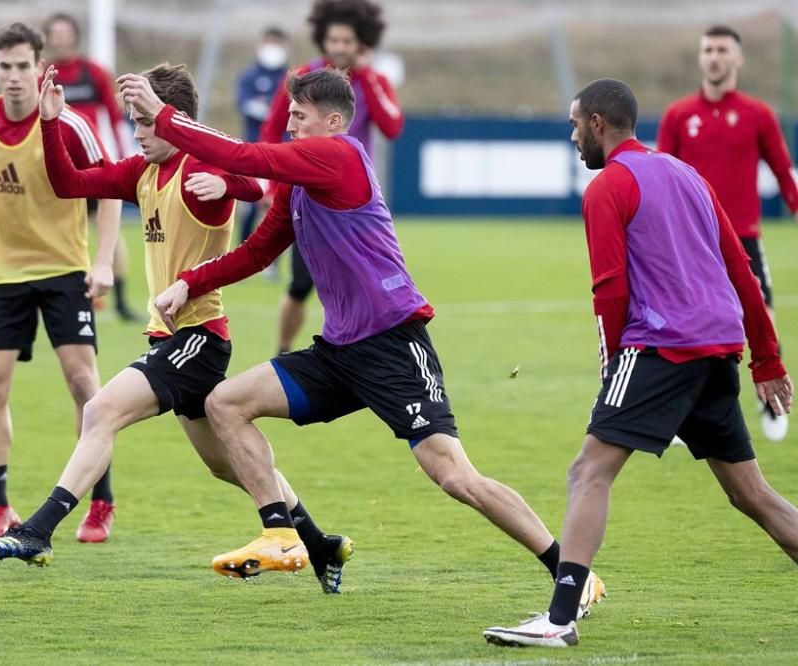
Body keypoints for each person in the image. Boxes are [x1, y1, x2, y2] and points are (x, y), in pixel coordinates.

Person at [123, 67, 605, 612]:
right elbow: (258, 252)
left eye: (299, 116)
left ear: (331, 122)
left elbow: (245, 160)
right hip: (338, 351)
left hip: (392, 344)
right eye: (288, 115)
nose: (290, 124)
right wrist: (190, 281)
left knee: (453, 476)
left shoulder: (340, 156)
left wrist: (164, 115)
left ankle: (571, 570)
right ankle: (281, 534)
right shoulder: (299, 183)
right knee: (225, 403)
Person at [0, 62, 354, 595]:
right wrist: (52, 122)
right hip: (169, 338)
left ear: (169, 116)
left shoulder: (200, 163)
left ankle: (37, 530)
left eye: (144, 122)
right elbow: (70, 184)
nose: (138, 133)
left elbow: (252, 181)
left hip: (199, 338)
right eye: (133, 123)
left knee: (99, 410)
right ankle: (321, 543)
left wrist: (223, 180)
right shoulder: (142, 171)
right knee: (228, 467)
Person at [484, 79, 795, 649]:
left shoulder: (608, 187)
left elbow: (609, 291)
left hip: (659, 349)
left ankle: (558, 620)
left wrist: (612, 373)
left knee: (588, 471)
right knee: (752, 494)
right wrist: (765, 358)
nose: (573, 136)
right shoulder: (687, 174)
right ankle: (559, 616)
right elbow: (741, 269)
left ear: (600, 124)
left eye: (576, 124)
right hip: (717, 349)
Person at [0, 22, 123, 543]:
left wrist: (105, 260)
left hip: (64, 270)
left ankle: (100, 501)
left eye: (25, 65)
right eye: (6, 66)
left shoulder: (69, 124)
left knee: (83, 385)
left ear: (40, 68)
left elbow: (110, 188)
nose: (15, 76)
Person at [657, 25, 798, 442]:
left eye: (722, 50)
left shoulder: (758, 115)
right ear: (701, 58)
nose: (714, 57)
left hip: (744, 238)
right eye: (707, 50)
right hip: (692, 241)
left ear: (738, 59)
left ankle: (771, 399)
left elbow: (783, 171)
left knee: (762, 315)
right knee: (685, 325)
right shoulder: (679, 115)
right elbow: (662, 177)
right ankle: (684, 412)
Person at [260, 0, 405, 355]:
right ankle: (283, 350)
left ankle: (364, 351)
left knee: (367, 279)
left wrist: (368, 77)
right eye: (333, 40)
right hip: (308, 197)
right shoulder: (302, 78)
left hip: (355, 204)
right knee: (301, 283)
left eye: (347, 41)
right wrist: (271, 185)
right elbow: (272, 129)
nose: (339, 47)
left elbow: (392, 126)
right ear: (322, 40)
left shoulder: (374, 81)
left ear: (361, 44)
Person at [43, 12, 140, 323]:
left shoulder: (94, 73)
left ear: (74, 36)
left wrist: (124, 156)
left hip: (94, 166)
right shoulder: (42, 74)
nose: (60, 39)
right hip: (59, 169)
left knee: (109, 229)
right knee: (64, 232)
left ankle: (121, 300)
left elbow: (113, 117)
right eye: (54, 34)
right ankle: (72, 294)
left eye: (64, 33)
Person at [235, 27, 289, 244]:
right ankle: (242, 248)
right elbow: (244, 105)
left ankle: (272, 261)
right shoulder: (249, 76)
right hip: (253, 150)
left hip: (283, 150)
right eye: (269, 42)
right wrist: (273, 110)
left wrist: (268, 108)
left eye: (277, 43)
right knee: (250, 203)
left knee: (278, 205)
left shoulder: (291, 76)